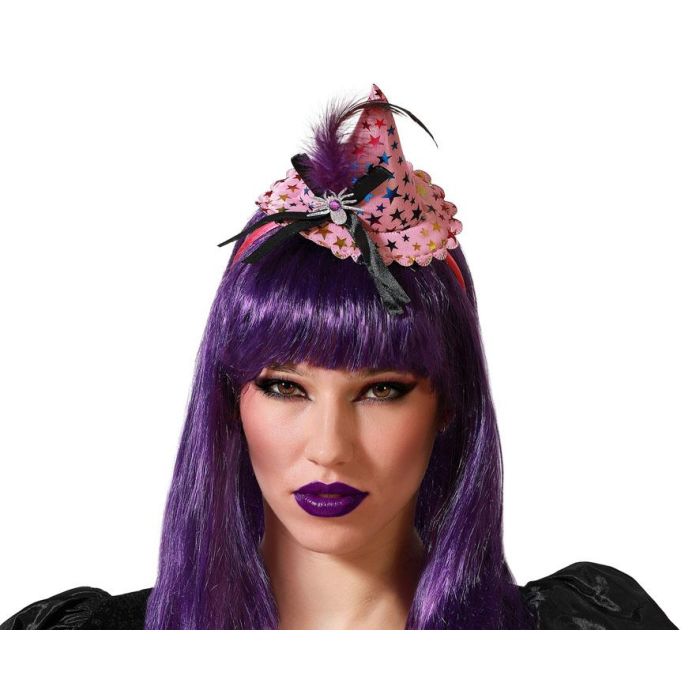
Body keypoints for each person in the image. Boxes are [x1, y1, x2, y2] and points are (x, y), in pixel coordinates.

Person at [1, 84, 677, 630]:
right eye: (285, 387)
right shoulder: (75, 653)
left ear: (449, 403)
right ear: (230, 397)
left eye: (381, 389)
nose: (329, 448)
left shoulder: (586, 639)